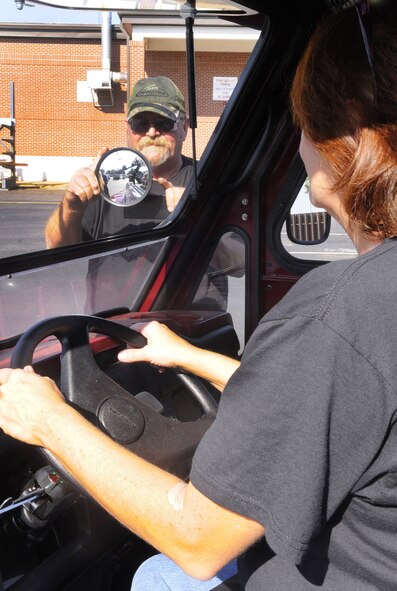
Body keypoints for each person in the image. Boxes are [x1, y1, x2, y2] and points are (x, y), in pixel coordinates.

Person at [0, 2, 397, 590]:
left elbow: (198, 540)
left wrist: (50, 419)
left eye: (301, 122)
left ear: (346, 123)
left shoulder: (337, 316)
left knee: (158, 576)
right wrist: (190, 357)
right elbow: (326, 409)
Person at [45, 76, 194, 312]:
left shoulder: (205, 180)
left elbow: (238, 263)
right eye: (140, 123)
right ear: (128, 128)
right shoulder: (107, 178)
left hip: (184, 336)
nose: (152, 132)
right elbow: (56, 249)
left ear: (184, 127)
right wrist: (72, 203)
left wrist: (193, 215)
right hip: (109, 333)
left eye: (164, 123)